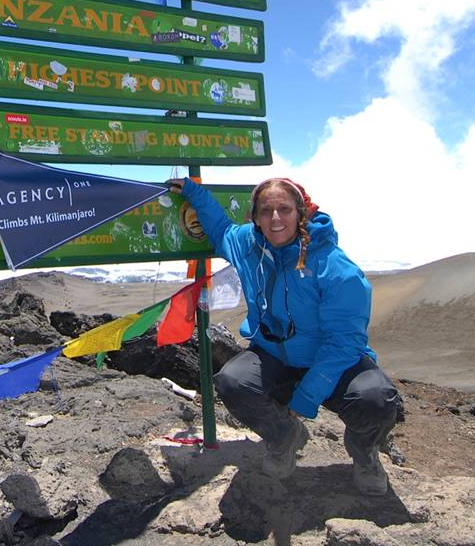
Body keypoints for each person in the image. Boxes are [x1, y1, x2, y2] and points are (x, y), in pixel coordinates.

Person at [167, 175, 401, 495]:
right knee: (233, 382)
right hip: (274, 355)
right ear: (256, 218)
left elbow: (345, 342)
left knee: (376, 398)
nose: (275, 218)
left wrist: (306, 397)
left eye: (284, 209)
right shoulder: (248, 246)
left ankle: (365, 454)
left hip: (331, 360)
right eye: (266, 210)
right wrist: (194, 192)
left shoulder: (334, 267)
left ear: (300, 213)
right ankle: (284, 437)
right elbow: (220, 228)